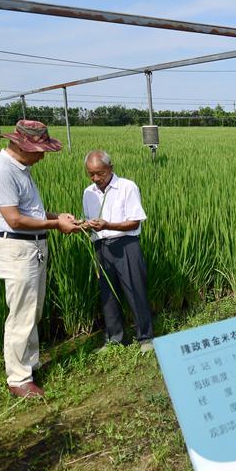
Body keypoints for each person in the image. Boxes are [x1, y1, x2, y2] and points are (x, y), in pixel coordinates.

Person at [0, 120, 79, 398]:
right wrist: (56, 226)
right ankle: (19, 379)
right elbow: (14, 219)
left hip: (33, 248)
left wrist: (58, 217)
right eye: (40, 150)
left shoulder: (21, 170)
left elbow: (31, 213)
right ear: (23, 145)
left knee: (32, 310)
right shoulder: (0, 171)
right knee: (21, 313)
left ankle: (29, 364)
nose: (43, 155)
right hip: (17, 250)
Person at [82, 150, 153, 352]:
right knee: (107, 294)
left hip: (126, 245)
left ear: (110, 169)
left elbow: (134, 222)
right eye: (91, 174)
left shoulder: (127, 187)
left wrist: (107, 225)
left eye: (100, 173)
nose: (96, 178)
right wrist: (85, 225)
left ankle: (145, 337)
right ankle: (115, 338)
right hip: (101, 247)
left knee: (135, 289)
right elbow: (92, 220)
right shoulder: (88, 192)